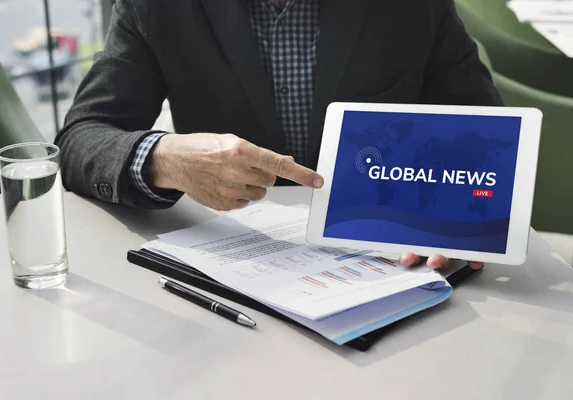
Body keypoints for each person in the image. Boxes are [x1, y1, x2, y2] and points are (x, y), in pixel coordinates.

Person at [56, 0, 498, 271]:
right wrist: (164, 157)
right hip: (230, 268)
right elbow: (80, 138)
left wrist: (454, 217)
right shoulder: (154, 5)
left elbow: (485, 131)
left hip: (389, 261)